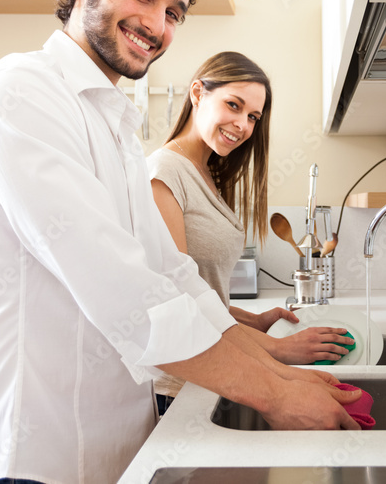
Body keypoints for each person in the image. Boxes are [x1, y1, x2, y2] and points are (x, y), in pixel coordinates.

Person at [0, 0, 361, 484]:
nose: (157, 24)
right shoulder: (19, 96)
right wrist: (273, 394)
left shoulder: (116, 125)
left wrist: (278, 371)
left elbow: (171, 275)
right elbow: (124, 294)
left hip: (115, 453)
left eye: (174, 12)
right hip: (31, 458)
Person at [147, 51, 354, 407]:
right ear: (198, 93)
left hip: (219, 368)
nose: (242, 124)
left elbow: (204, 293)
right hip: (184, 386)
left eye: (253, 116)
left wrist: (253, 321)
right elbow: (180, 304)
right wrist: (277, 348)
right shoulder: (163, 173)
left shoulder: (206, 174)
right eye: (233, 105)